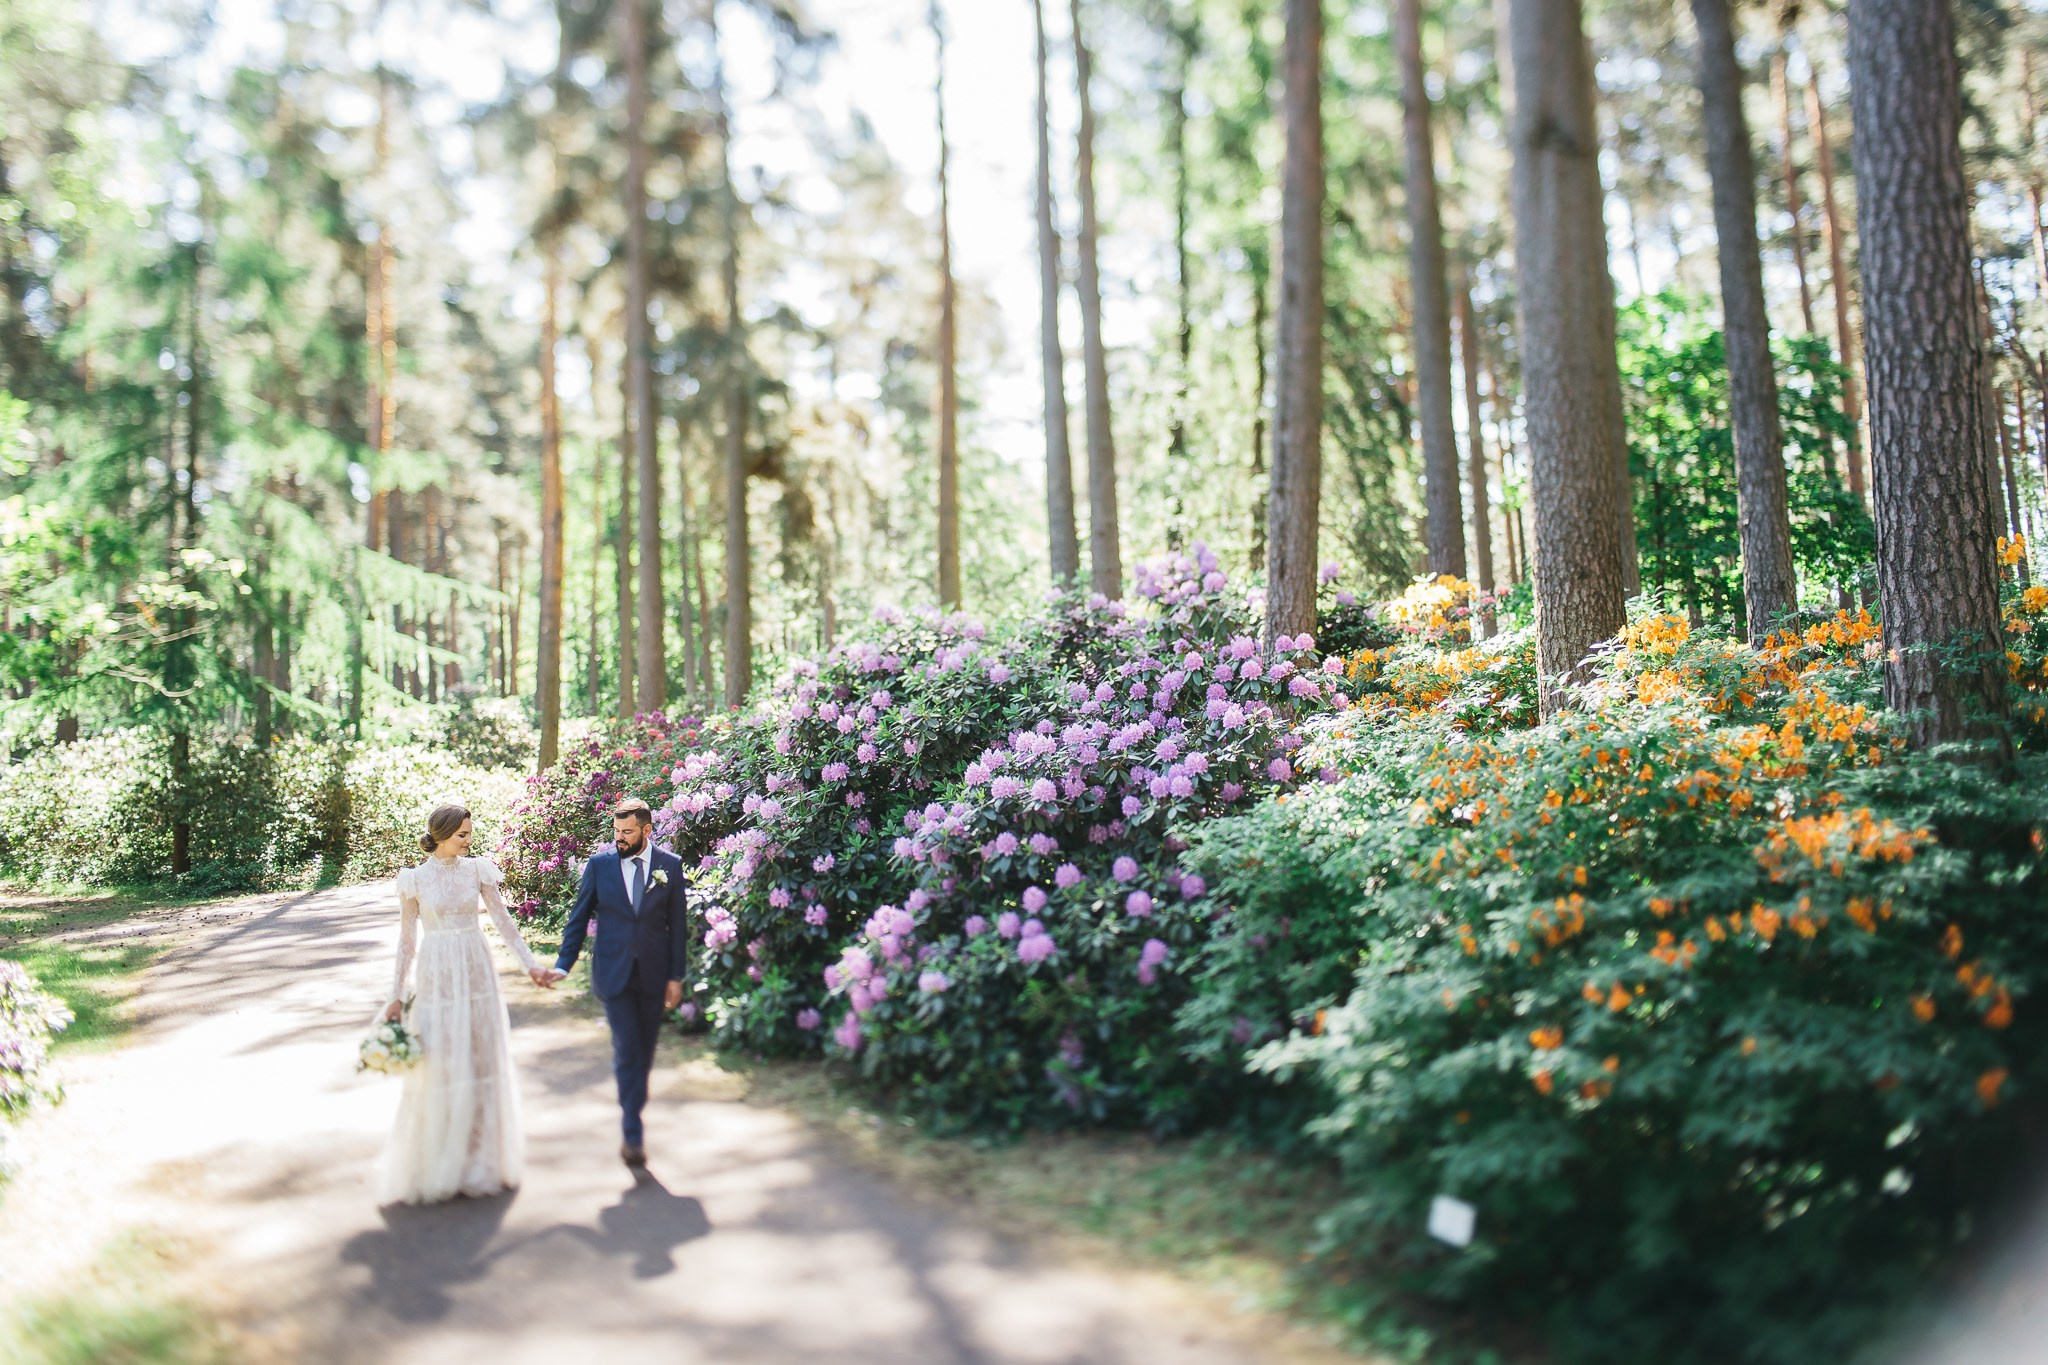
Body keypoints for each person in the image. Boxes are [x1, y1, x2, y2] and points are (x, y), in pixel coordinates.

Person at [378, 804, 554, 1205]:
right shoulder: (414, 880)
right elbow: (407, 943)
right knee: (441, 1060)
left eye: (470, 834)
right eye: (462, 835)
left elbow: (504, 921)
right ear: (441, 835)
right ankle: (440, 1161)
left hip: (476, 970)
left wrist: (530, 964)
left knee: (479, 1058)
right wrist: (396, 996)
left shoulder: (478, 870)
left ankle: (480, 1159)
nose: (468, 840)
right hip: (437, 973)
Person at [540, 798, 689, 1168]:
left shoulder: (670, 866)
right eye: (617, 831)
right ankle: (632, 1132)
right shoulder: (599, 866)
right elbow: (577, 919)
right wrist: (563, 965)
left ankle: (633, 1115)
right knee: (627, 1049)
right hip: (613, 972)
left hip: (654, 974)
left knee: (645, 1053)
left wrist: (676, 976)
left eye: (628, 832)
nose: (620, 838)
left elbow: (678, 928)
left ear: (647, 830)